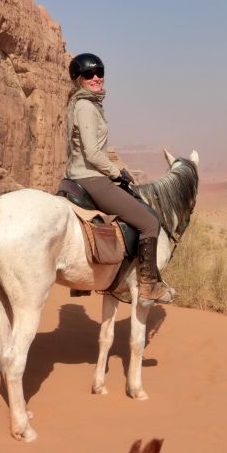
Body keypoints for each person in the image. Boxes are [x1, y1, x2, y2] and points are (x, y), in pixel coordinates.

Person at [66, 53, 174, 305]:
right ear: (78, 79)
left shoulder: (82, 104)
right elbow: (92, 153)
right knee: (149, 222)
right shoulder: (85, 106)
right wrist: (116, 172)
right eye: (89, 75)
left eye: (99, 72)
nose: (96, 78)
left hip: (79, 175)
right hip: (92, 177)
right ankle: (149, 286)